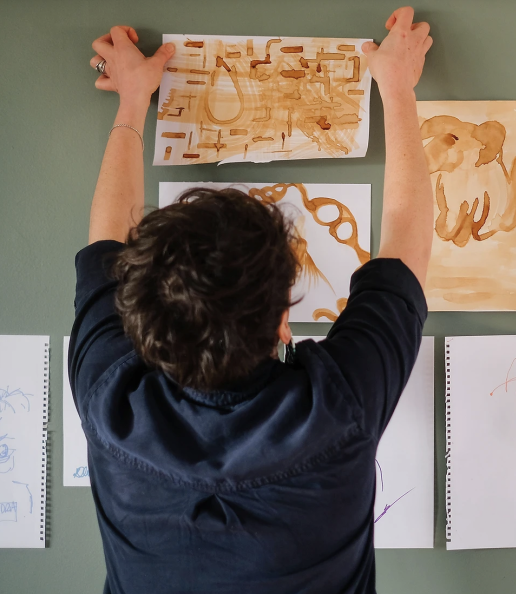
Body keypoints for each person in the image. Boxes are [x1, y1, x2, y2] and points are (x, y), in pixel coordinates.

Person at [70, 8, 432, 594]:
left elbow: (105, 243)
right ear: (284, 321)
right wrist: (396, 86)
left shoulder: (110, 398)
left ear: (138, 318)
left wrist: (133, 101)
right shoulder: (338, 406)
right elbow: (408, 240)